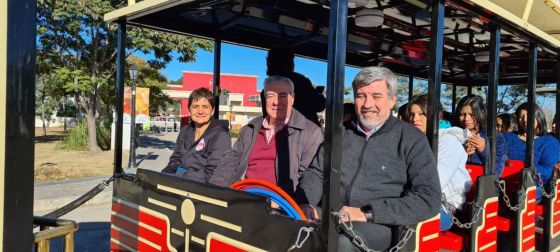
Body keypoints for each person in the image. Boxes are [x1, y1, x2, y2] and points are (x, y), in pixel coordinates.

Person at [296, 67, 441, 251]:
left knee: (339, 244)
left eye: (376, 96)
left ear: (392, 101)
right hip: (331, 213)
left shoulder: (412, 139)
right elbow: (317, 172)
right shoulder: (340, 133)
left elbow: (429, 198)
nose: (367, 104)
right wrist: (305, 202)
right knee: (286, 225)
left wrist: (368, 213)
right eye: (361, 96)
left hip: (379, 223)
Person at [210, 76, 323, 196]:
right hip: (241, 197)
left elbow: (306, 177)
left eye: (283, 96)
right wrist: (215, 190)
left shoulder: (311, 132)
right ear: (264, 99)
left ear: (293, 99)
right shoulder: (249, 129)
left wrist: (276, 199)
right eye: (270, 96)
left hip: (278, 203)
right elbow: (229, 162)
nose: (276, 101)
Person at [407, 94, 471, 231]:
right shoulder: (414, 141)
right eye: (412, 114)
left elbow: (434, 184)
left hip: (443, 207)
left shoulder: (448, 143)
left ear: (434, 117)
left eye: (421, 114)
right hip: (413, 198)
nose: (415, 119)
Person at [162, 88, 232, 183]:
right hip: (182, 183)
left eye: (205, 106)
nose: (200, 111)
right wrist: (164, 175)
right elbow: (175, 160)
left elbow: (212, 175)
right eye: (195, 106)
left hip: (204, 189)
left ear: (212, 110)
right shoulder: (185, 131)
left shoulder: (220, 136)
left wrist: (179, 175)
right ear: (189, 110)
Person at [503, 103, 560, 201]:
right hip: (504, 183)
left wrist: (522, 171)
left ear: (538, 116)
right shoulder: (507, 137)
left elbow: (548, 171)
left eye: (529, 116)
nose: (525, 119)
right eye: (521, 117)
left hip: (533, 187)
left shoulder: (549, 142)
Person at [264, 46, 326, 126]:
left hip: (277, 133)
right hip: (304, 132)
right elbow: (319, 105)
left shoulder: (267, 86)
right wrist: (320, 95)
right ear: (289, 63)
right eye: (292, 61)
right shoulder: (299, 81)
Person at [453, 95, 507, 175]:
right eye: (462, 114)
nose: (466, 119)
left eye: (471, 115)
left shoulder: (496, 137)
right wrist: (461, 152)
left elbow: (498, 171)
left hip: (482, 184)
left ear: (481, 113)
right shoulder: (452, 134)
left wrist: (483, 149)